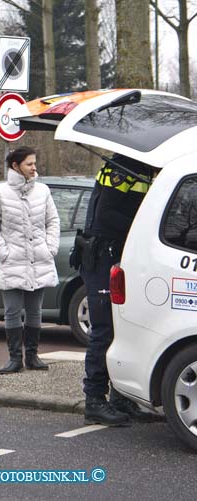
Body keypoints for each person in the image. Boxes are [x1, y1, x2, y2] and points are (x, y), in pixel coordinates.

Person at [78, 154, 158, 425]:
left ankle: (121, 398)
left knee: (123, 329)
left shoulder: (145, 167)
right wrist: (142, 228)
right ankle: (94, 401)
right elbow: (107, 214)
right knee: (104, 330)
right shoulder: (124, 167)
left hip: (119, 255)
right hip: (102, 255)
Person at [0, 147, 60, 375]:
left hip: (39, 259)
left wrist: (50, 247)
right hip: (12, 260)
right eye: (29, 164)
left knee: (35, 311)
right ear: (15, 166)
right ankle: (15, 358)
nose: (34, 168)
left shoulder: (43, 191)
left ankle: (33, 357)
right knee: (13, 311)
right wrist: (3, 252)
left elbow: (53, 221)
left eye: (35, 163)